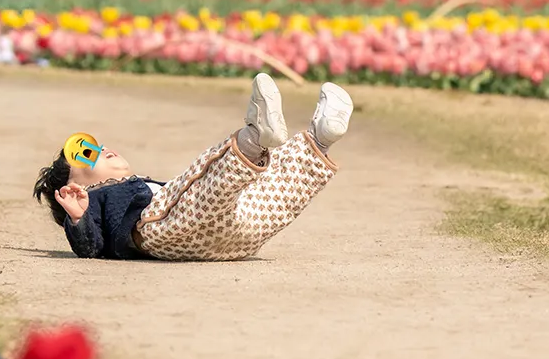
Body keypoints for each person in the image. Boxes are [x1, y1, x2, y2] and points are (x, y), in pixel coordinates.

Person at [33, 74, 353, 261]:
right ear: (82, 187)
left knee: (272, 193)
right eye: (87, 155)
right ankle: (254, 137)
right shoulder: (99, 204)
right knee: (202, 184)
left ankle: (319, 137)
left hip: (232, 242)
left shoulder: (140, 186)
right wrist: (77, 218)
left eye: (96, 146)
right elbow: (89, 248)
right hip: (163, 231)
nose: (101, 149)